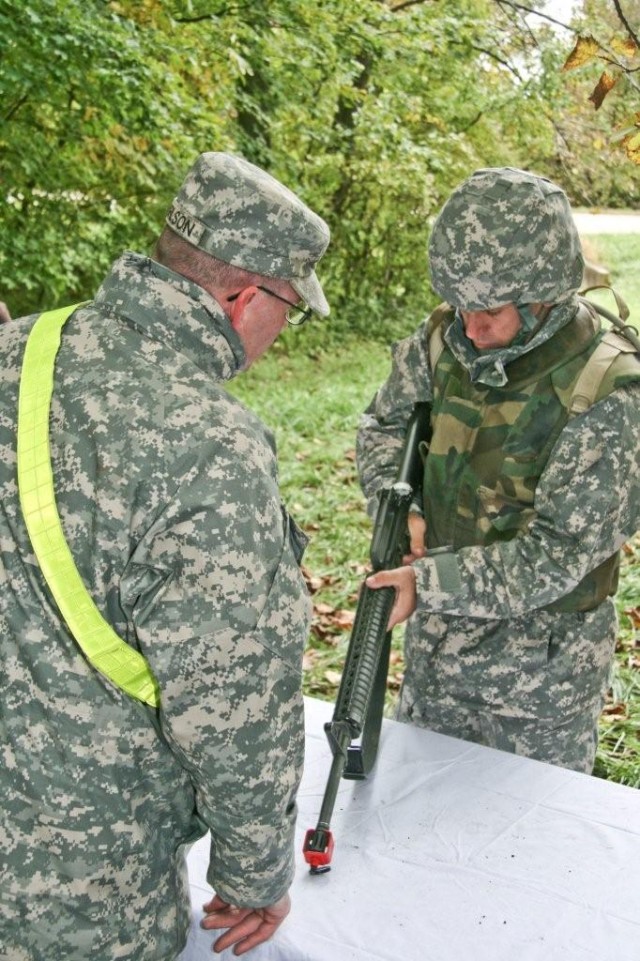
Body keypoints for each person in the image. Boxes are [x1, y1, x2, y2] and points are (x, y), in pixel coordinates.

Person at [0, 152, 330, 959]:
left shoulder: (21, 350)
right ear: (246, 298)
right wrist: (255, 873)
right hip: (79, 882)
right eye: (292, 307)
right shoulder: (212, 448)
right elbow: (231, 704)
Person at [357, 167, 639, 774]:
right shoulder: (441, 342)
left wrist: (424, 584)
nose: (471, 327)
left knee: (531, 849)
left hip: (542, 682)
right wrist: (396, 504)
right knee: (416, 824)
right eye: (461, 305)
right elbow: (382, 427)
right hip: (438, 657)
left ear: (546, 295)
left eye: (489, 310)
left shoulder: (605, 390)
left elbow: (559, 554)